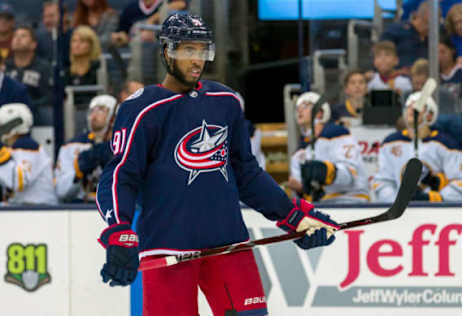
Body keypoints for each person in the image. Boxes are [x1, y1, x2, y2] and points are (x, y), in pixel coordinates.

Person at [95, 14, 339, 316]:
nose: (197, 60)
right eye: (188, 50)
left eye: (202, 50)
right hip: (168, 246)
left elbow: (245, 173)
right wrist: (119, 229)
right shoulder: (142, 108)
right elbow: (120, 176)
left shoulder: (225, 100)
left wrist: (293, 216)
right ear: (166, 50)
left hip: (228, 244)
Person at [373, 92, 462, 202]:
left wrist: (433, 198)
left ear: (430, 115)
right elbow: (381, 182)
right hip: (400, 214)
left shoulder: (446, 144)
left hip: (436, 213)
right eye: (409, 106)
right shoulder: (390, 143)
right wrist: (396, 201)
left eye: (418, 105)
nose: (412, 108)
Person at [287, 91, 370, 204]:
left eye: (305, 106)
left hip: (352, 201)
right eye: (298, 108)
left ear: (320, 113)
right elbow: (306, 194)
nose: (299, 110)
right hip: (322, 206)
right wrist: (301, 188)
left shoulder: (336, 133)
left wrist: (327, 171)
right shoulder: (298, 153)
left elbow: (351, 175)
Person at [55, 94, 116, 203]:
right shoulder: (71, 146)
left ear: (113, 117)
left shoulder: (124, 145)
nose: (94, 115)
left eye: (101, 110)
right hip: (81, 208)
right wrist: (77, 173)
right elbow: (61, 192)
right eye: (92, 110)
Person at [0, 103, 57, 205]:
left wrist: (2, 157)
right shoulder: (15, 147)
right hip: (27, 210)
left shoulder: (27, 146)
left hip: (41, 210)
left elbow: (18, 182)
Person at [5, 26, 52, 125]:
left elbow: (48, 96)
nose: (18, 39)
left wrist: (28, 105)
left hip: (36, 113)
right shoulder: (5, 67)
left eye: (23, 36)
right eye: (15, 36)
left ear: (33, 44)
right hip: (6, 113)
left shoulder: (44, 68)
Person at [381, 1, 430, 69]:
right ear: (418, 17)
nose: (428, 28)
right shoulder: (397, 30)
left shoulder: (430, 39)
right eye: (426, 23)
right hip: (397, 76)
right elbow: (380, 52)